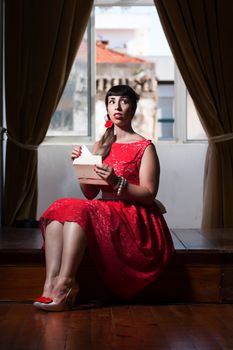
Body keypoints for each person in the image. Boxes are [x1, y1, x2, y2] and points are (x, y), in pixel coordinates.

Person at [33, 84, 174, 311]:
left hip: (133, 215)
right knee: (60, 206)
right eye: (111, 101)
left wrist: (117, 182)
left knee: (81, 211)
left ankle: (66, 283)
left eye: (124, 101)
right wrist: (81, 165)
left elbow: (149, 194)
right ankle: (50, 284)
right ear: (107, 108)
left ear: (133, 108)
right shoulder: (102, 145)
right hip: (105, 209)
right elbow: (90, 193)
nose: (117, 106)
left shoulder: (145, 147)